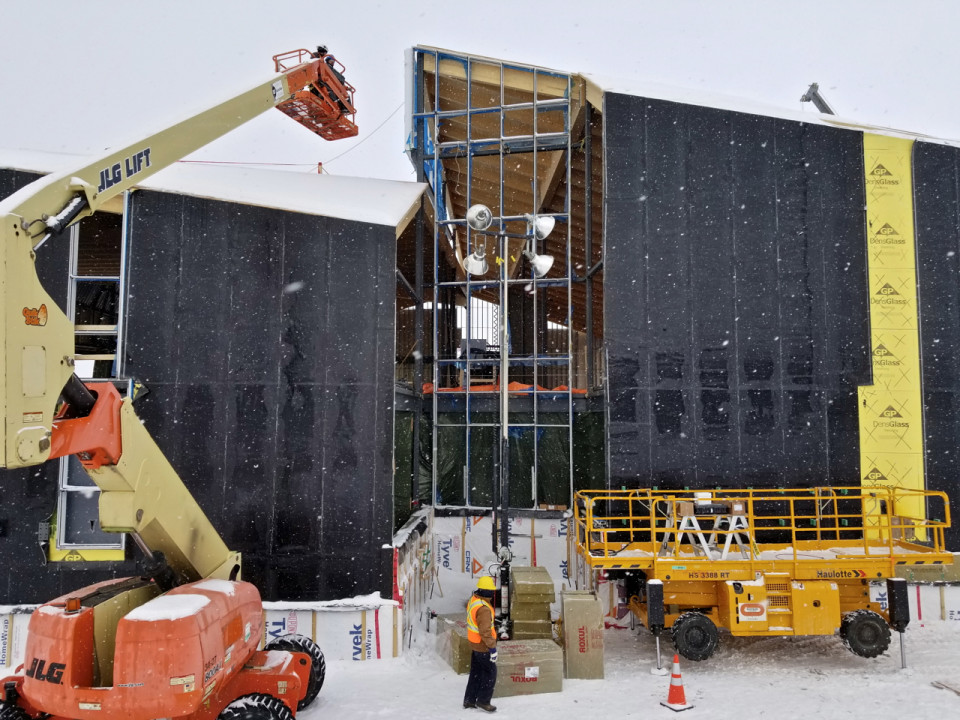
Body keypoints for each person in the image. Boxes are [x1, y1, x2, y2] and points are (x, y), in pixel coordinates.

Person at [463, 575, 499, 712]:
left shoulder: (474, 600)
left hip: (474, 643)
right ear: (486, 591)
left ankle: (469, 700)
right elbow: (485, 631)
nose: (492, 593)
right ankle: (484, 701)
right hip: (483, 645)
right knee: (490, 672)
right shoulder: (483, 608)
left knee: (476, 673)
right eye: (491, 591)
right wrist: (492, 648)